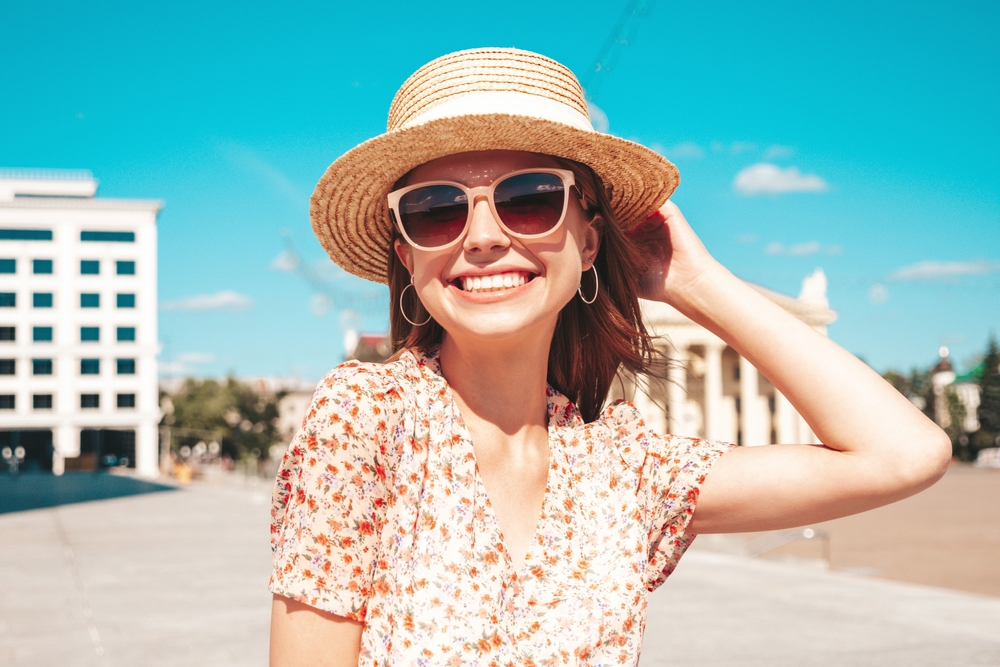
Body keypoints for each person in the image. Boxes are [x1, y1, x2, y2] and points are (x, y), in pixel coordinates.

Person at [268, 48, 949, 667]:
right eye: (436, 210)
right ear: (407, 255)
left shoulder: (620, 466)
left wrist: (696, 282)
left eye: (530, 199)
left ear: (588, 242)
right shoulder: (366, 422)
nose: (480, 237)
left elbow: (904, 455)